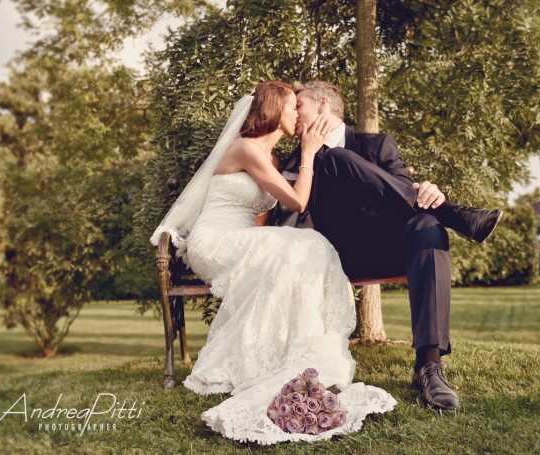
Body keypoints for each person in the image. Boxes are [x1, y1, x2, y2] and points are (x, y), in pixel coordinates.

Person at [150, 81, 396, 444]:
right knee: (310, 243)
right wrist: (310, 154)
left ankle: (302, 350)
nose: (298, 114)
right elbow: (297, 203)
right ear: (273, 112)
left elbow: (260, 222)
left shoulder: (274, 160)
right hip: (214, 241)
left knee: (304, 248)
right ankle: (278, 356)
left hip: (244, 241)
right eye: (292, 108)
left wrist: (274, 252)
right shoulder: (246, 149)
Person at [271, 81, 503, 411]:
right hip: (334, 255)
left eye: (300, 107)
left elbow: (408, 196)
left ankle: (429, 364)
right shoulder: (294, 162)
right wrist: (311, 156)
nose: (294, 115)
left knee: (427, 224)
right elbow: (288, 217)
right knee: (337, 158)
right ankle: (455, 215)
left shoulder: (377, 144)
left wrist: (429, 194)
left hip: (384, 249)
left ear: (322, 105)